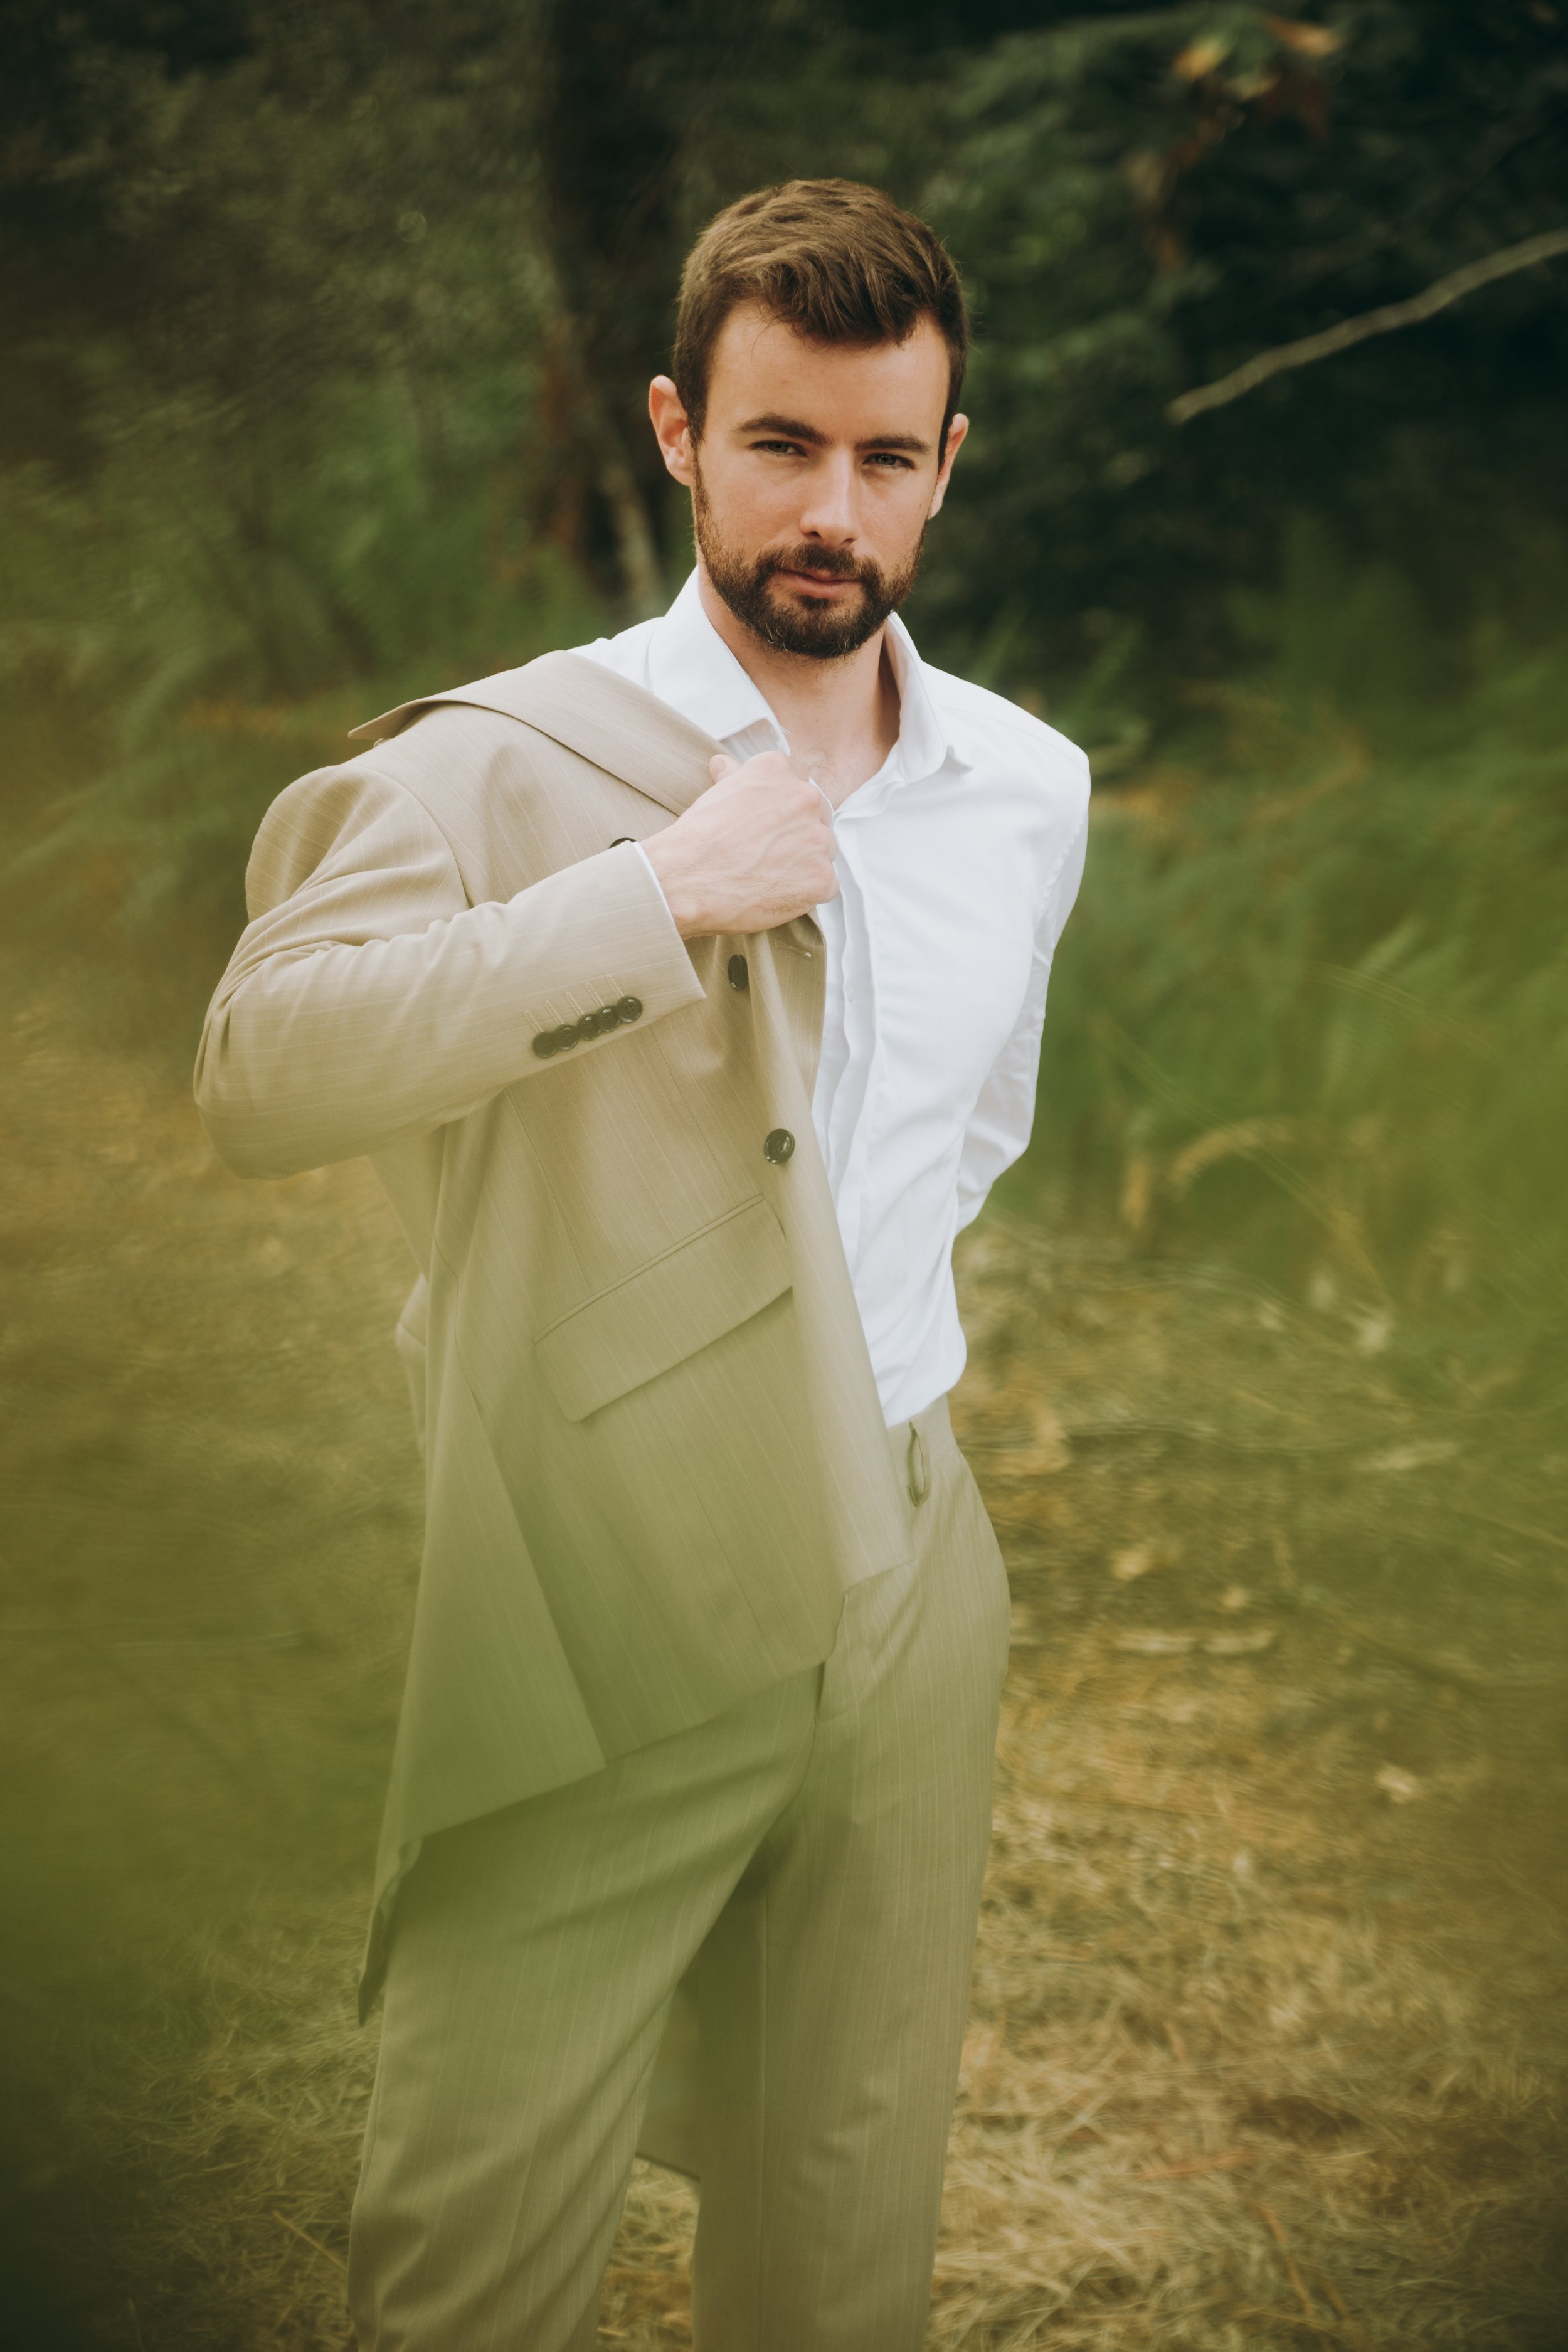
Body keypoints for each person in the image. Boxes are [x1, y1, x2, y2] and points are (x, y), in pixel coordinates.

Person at [195, 176, 1089, 2352]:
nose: (831, 513)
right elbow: (261, 1072)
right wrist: (656, 895)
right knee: (476, 2243)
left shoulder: (1024, 788)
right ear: (678, 430)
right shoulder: (507, 764)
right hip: (601, 1573)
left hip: (910, 1566)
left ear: (947, 464)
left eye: (884, 457)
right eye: (779, 445)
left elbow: (953, 1149)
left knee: (842, 2232)